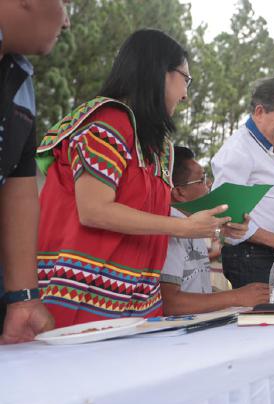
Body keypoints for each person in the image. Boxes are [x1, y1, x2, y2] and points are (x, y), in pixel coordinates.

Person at [36, 30, 234, 328]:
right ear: (159, 72)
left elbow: (156, 214)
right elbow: (94, 210)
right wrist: (185, 227)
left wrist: (221, 222)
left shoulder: (157, 146)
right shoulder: (107, 123)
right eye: (185, 79)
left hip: (138, 306)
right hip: (84, 305)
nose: (186, 94)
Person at [0, 0, 69, 343]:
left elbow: (19, 189)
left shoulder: (21, 80)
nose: (67, 21)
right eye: (66, 3)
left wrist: (22, 298)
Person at [211, 78, 274, 288]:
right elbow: (226, 214)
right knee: (269, 320)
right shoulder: (237, 150)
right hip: (251, 258)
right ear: (259, 112)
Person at [159, 146, 269, 315]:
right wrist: (235, 297)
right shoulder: (170, 228)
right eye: (202, 180)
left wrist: (242, 295)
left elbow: (195, 289)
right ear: (179, 192)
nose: (209, 184)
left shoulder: (195, 224)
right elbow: (169, 303)